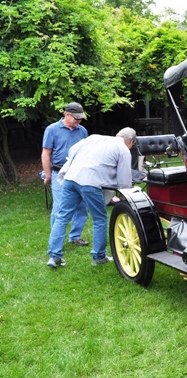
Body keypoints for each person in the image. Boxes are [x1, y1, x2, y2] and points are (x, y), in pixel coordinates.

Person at [46, 128, 137, 268]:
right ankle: (99, 256)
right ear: (131, 142)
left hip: (71, 178)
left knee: (62, 217)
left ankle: (54, 256)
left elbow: (72, 150)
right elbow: (124, 182)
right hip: (91, 183)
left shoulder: (94, 137)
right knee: (100, 219)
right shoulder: (123, 149)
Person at [41, 102, 89, 246]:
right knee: (60, 207)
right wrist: (48, 175)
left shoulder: (82, 131)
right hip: (59, 172)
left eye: (81, 118)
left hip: (79, 173)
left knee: (81, 206)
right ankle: (56, 239)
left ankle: (75, 236)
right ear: (67, 114)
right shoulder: (52, 129)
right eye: (76, 118)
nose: (79, 121)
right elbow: (45, 154)